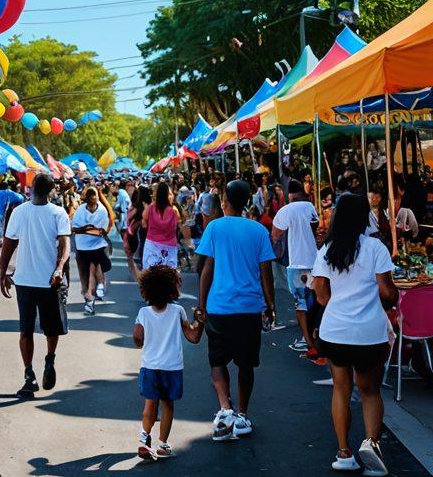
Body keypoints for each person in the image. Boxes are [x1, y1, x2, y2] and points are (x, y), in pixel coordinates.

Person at [311, 193, 399, 476]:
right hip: (369, 333)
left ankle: (343, 452)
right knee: (370, 390)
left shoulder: (327, 250)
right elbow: (387, 292)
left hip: (335, 330)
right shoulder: (375, 247)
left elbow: (321, 295)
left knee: (341, 388)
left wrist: (341, 303)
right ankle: (372, 447)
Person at [195, 179, 276, 442]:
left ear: (225, 201)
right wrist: (270, 304)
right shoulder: (258, 230)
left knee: (217, 361)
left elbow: (207, 268)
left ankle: (225, 408)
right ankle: (242, 414)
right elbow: (267, 273)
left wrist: (201, 303)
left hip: (219, 306)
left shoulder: (214, 227)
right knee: (246, 364)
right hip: (249, 307)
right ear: (247, 202)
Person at [0, 171, 71, 397]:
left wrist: (3, 272)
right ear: (51, 191)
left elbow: (8, 245)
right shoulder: (58, 213)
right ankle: (50, 359)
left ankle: (29, 375)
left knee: (26, 330)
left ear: (30, 189)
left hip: (25, 282)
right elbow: (65, 245)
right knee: (51, 328)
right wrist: (59, 268)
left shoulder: (19, 212)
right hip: (49, 280)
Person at [133, 265, 203, 460]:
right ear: (173, 288)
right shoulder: (178, 311)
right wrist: (200, 321)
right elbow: (193, 337)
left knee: (150, 404)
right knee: (167, 406)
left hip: (150, 366)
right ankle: (162, 443)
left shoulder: (144, 313)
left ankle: (144, 438)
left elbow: (137, 337)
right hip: (172, 367)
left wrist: (141, 342)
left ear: (146, 289)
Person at [271, 181, 321, 360]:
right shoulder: (311, 207)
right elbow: (316, 227)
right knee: (316, 301)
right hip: (315, 263)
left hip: (296, 263)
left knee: (300, 304)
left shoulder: (286, 210)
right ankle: (316, 338)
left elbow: (275, 235)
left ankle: (307, 342)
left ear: (289, 194)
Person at [71, 186, 110, 314]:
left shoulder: (103, 211)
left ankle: (91, 295)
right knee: (85, 275)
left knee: (93, 270)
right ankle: (91, 293)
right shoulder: (80, 211)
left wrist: (92, 231)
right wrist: (85, 229)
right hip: (82, 247)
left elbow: (102, 231)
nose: (94, 205)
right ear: (87, 200)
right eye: (92, 202)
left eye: (96, 200)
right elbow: (74, 229)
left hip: (98, 246)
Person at [141, 181, 181, 270]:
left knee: (151, 272)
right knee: (167, 273)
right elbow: (178, 224)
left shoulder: (151, 208)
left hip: (152, 243)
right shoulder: (173, 211)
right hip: (169, 246)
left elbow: (144, 218)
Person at [0, 179, 25, 244]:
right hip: (5, 214)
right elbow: (20, 198)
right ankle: (0, 241)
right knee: (3, 227)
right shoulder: (9, 193)